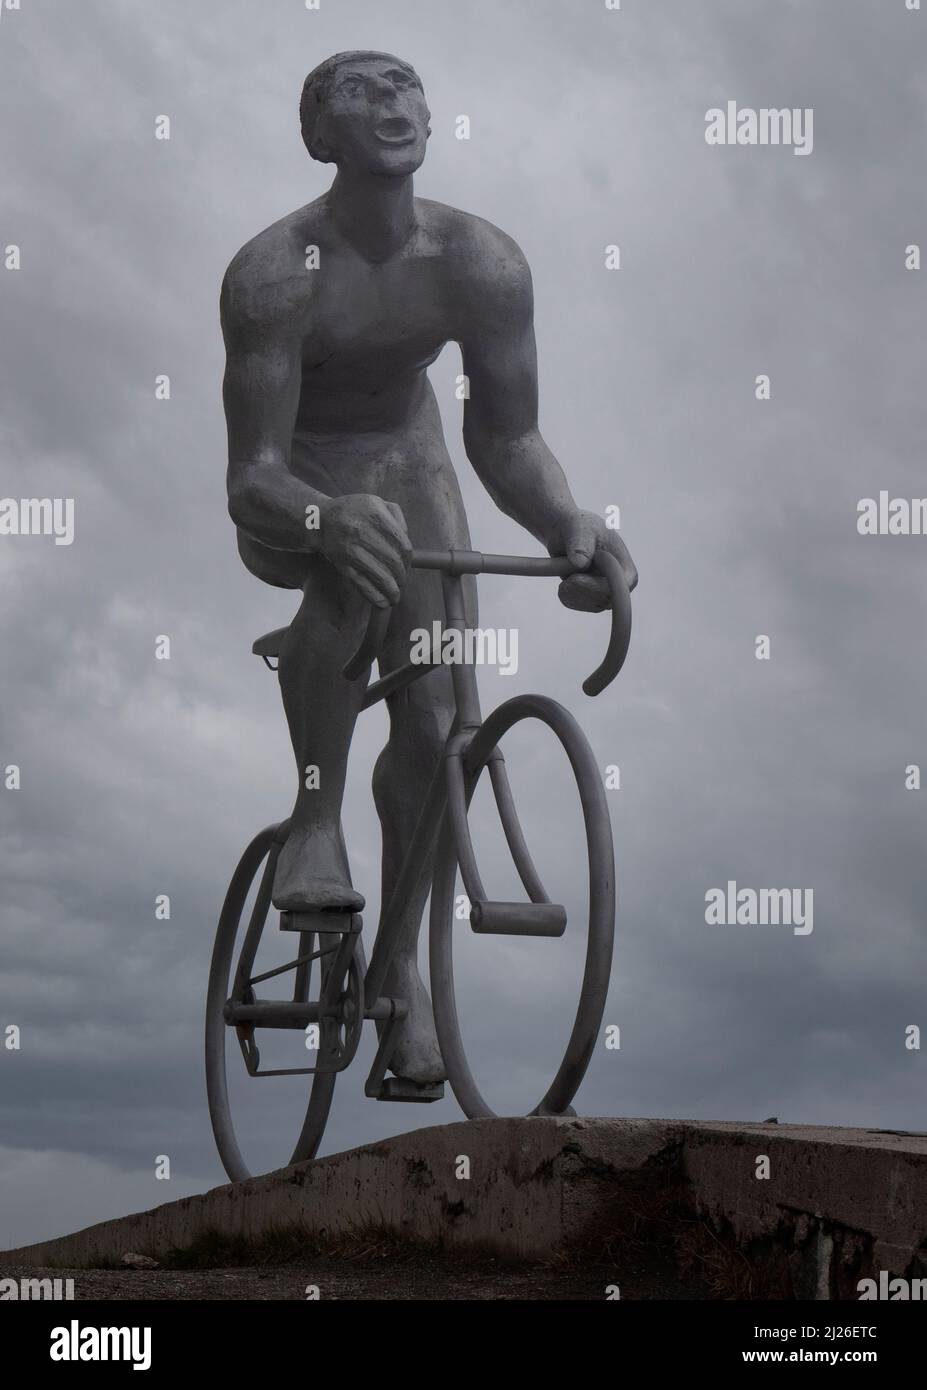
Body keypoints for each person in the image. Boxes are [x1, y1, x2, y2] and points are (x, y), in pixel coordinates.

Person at [221, 51, 637, 1085]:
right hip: (297, 486)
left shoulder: (479, 263)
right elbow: (251, 475)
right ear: (321, 137)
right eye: (359, 92)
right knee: (350, 561)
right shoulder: (273, 273)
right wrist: (321, 515)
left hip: (411, 464)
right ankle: (315, 818)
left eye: (406, 88)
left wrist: (567, 527)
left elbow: (506, 440)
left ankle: (397, 983)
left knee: (446, 716)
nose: (393, 104)